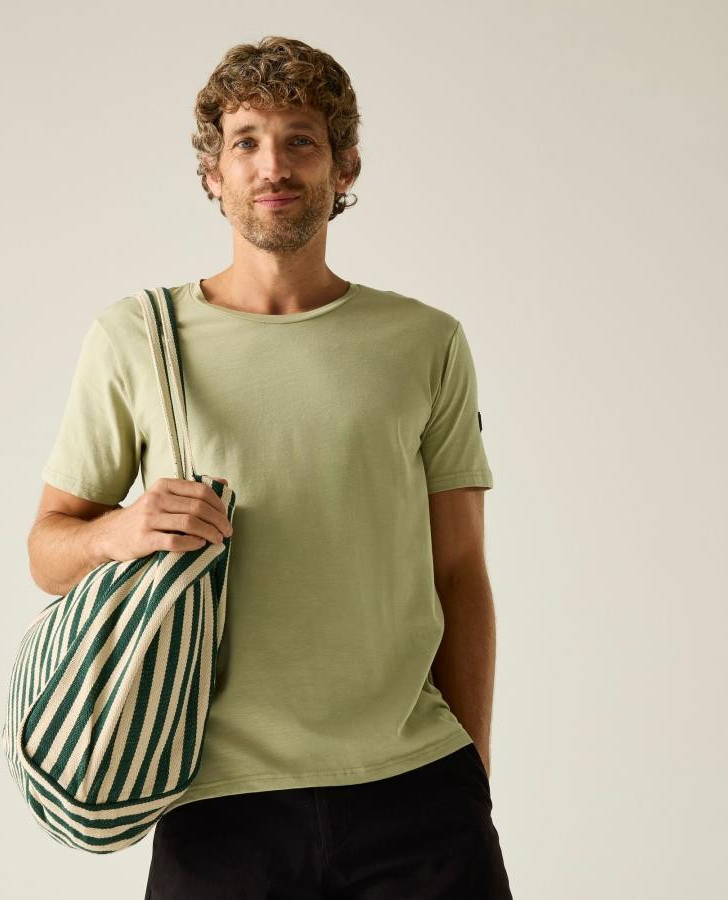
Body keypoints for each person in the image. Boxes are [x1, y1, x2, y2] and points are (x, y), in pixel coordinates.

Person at [28, 34, 513, 900]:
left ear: (343, 165)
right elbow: (46, 550)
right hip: (215, 799)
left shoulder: (426, 341)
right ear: (212, 173)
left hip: (416, 789)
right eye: (246, 141)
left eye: (301, 140)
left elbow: (461, 571)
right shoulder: (137, 338)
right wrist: (119, 531)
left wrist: (471, 771)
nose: (273, 165)